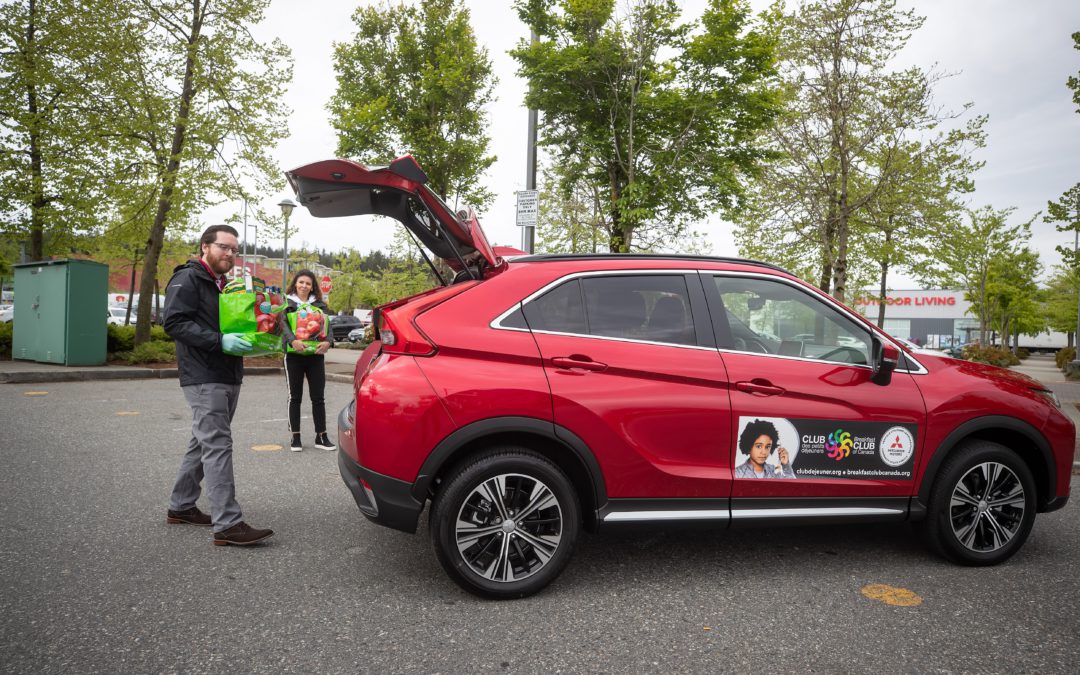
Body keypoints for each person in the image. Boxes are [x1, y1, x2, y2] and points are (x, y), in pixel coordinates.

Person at [163, 224, 274, 546]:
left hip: (225, 372)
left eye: (234, 250)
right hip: (203, 375)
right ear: (205, 247)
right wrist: (219, 340)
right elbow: (173, 322)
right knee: (217, 445)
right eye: (224, 247)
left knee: (202, 442)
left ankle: (181, 505)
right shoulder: (188, 278)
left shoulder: (222, 284)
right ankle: (228, 523)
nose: (230, 254)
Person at [281, 269, 334, 452]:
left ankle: (321, 436)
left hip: (315, 356)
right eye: (301, 282)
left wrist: (328, 342)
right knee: (294, 397)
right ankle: (295, 437)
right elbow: (282, 324)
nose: (304, 286)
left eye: (308, 283)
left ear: (313, 287)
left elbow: (328, 326)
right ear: (295, 283)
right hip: (294, 355)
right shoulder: (286, 302)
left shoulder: (320, 305)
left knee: (318, 397)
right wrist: (292, 340)